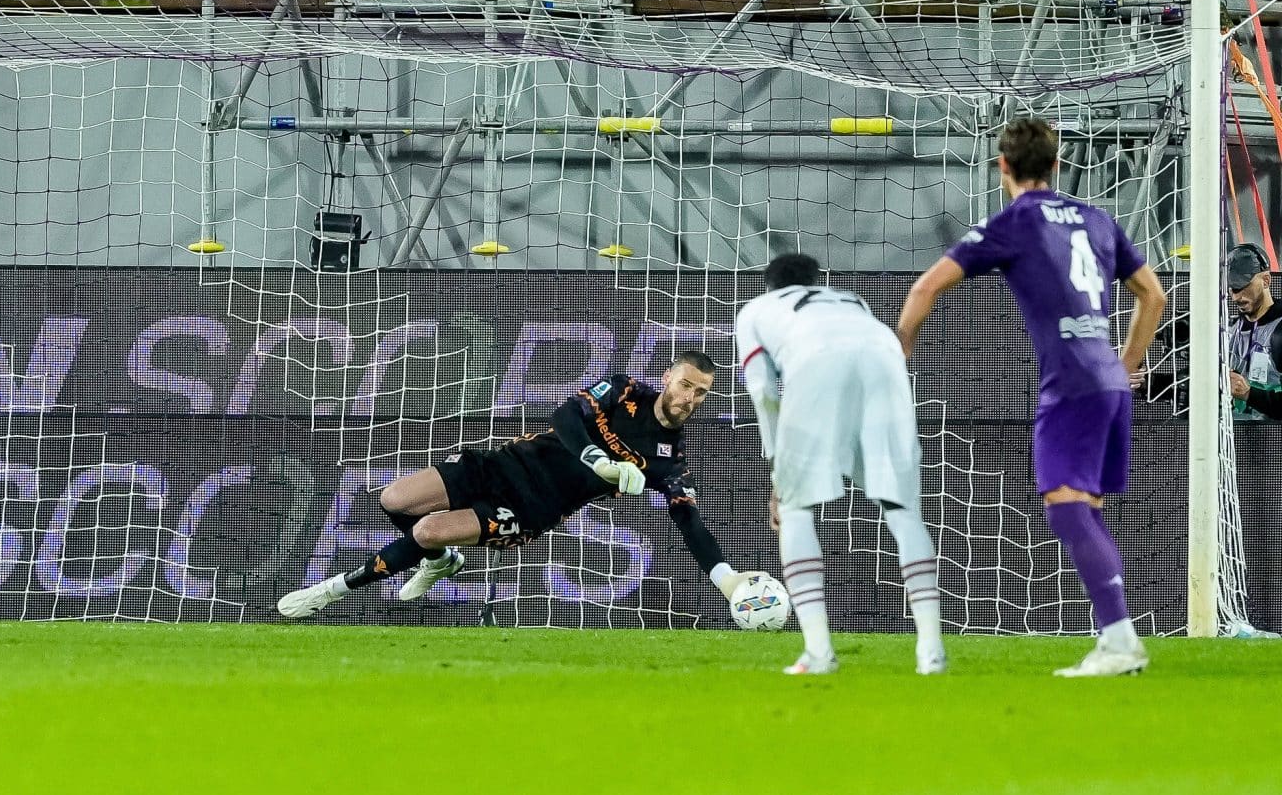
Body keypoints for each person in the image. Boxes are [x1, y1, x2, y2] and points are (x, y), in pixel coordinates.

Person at [899, 117, 1167, 677]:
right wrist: (1126, 365)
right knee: (1085, 511)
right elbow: (1153, 295)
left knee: (1067, 510)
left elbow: (924, 287)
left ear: (1002, 167)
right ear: (1058, 163)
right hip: (1110, 382)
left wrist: (899, 357)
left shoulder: (1014, 222)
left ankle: (1120, 642)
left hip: (1069, 384)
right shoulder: (1097, 218)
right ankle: (1114, 639)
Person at [277, 353, 750, 618]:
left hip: (530, 507)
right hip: (503, 464)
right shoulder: (624, 389)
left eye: (701, 392)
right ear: (668, 377)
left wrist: (727, 580)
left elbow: (688, 521)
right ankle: (443, 562)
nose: (689, 398)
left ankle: (333, 589)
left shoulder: (669, 462)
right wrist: (597, 459)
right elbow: (565, 415)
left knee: (424, 532)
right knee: (394, 499)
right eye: (685, 385)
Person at [735, 253, 944, 676]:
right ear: (818, 281)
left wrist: (779, 469)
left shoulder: (756, 310)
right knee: (905, 512)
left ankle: (818, 652)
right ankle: (931, 652)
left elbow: (762, 390)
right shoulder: (851, 300)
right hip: (885, 358)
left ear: (769, 285)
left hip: (814, 360)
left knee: (796, 509)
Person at [1225, 243, 1282, 418]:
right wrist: (1150, 382)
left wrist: (1249, 394)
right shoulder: (1230, 331)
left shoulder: (1278, 332)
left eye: (1243, 286)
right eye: (1233, 288)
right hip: (1233, 440)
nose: (1236, 297)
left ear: (1266, 280)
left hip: (1273, 440)